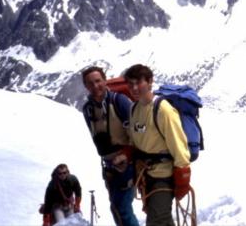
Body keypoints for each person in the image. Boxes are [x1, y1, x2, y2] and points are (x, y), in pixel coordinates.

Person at [124, 64, 191, 226]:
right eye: (130, 84)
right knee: (161, 220)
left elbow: (179, 147)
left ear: (150, 82)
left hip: (163, 176)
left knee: (157, 221)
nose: (134, 88)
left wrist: (183, 178)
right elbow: (135, 141)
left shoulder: (163, 110)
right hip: (146, 176)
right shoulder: (134, 109)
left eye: (138, 83)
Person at [81, 66, 138, 226]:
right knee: (116, 207)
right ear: (86, 86)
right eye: (90, 83)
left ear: (105, 81)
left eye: (98, 81)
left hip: (127, 163)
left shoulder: (119, 101)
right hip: (109, 166)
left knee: (122, 208)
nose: (95, 86)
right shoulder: (88, 110)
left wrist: (126, 155)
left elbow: (137, 134)